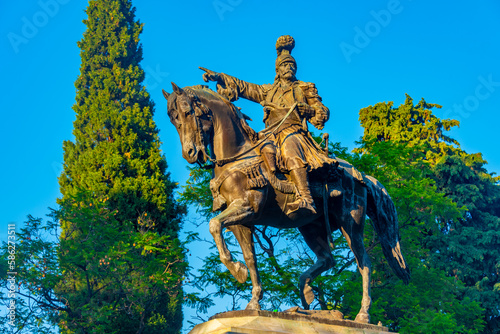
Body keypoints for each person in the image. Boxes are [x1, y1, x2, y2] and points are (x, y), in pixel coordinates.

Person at [202, 35, 334, 216]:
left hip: (294, 132)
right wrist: (220, 77)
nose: (289, 68)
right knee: (249, 153)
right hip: (269, 135)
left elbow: (322, 112)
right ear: (278, 70)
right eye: (285, 65)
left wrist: (308, 110)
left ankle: (306, 198)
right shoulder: (268, 91)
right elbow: (243, 86)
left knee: (289, 148)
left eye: (292, 65)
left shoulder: (304, 88)